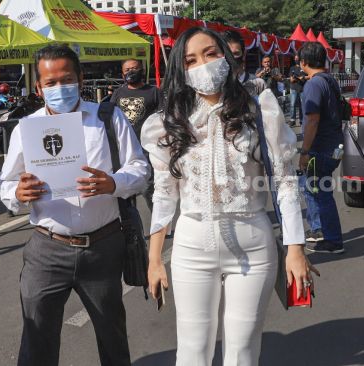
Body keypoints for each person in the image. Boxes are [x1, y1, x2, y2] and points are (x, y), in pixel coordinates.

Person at [141, 28, 318, 365]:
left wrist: (295, 248)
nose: (203, 64)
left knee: (243, 351)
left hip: (252, 243)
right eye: (191, 60)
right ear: (181, 69)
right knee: (192, 352)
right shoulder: (169, 122)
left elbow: (284, 182)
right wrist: (153, 260)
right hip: (192, 245)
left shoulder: (258, 106)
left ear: (226, 54)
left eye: (210, 53)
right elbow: (164, 194)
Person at [0, 44, 149, 366]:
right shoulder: (27, 129)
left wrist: (114, 183)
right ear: (38, 87)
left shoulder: (108, 117)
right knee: (36, 337)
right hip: (47, 250)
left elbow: (140, 169)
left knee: (112, 336)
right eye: (50, 83)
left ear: (81, 79)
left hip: (103, 245)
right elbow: (7, 185)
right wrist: (19, 194)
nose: (58, 88)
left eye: (66, 80)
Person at [298, 42, 345, 253]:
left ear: (304, 62)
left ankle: (333, 240)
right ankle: (318, 230)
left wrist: (304, 151)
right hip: (333, 144)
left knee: (320, 192)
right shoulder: (328, 80)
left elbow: (312, 120)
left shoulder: (314, 84)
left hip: (321, 148)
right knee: (311, 188)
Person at [110, 58, 161, 211]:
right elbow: (110, 117)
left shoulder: (154, 92)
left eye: (135, 68)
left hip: (147, 149)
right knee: (127, 193)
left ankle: (159, 229)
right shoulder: (118, 93)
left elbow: (163, 117)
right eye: (127, 70)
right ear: (122, 74)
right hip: (124, 149)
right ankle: (133, 230)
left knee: (149, 191)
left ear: (142, 70)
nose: (131, 72)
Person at [222, 30, 266, 97]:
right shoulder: (217, 87)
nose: (231, 58)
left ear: (244, 54)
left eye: (236, 53)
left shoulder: (258, 84)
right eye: (228, 54)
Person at [289, 53, 308, 127]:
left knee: (301, 105)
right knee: (292, 104)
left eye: (297, 58)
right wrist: (294, 78)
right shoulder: (292, 68)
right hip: (294, 88)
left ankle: (301, 119)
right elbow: (291, 79)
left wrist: (302, 78)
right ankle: (292, 120)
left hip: (302, 89)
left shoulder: (304, 68)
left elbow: (309, 76)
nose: (296, 60)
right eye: (295, 59)